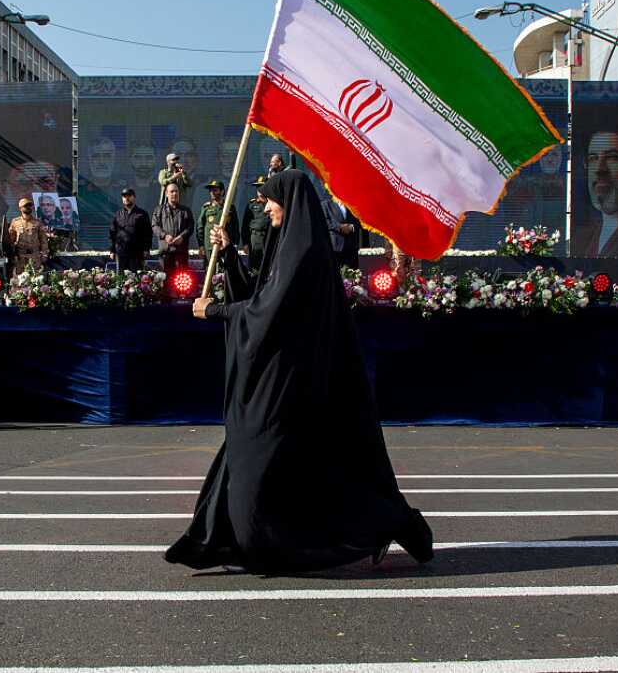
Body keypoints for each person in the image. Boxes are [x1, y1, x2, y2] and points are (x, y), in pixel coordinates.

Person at [167, 170, 433, 573]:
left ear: (289, 202)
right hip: (286, 379)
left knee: (263, 459)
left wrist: (217, 310)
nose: (266, 205)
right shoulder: (289, 243)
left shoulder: (305, 247)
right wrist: (233, 259)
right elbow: (264, 294)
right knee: (295, 467)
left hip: (291, 382)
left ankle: (261, 541)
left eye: (272, 198)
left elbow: (270, 311)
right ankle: (238, 542)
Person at [152, 182, 194, 279]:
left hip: (181, 253)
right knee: (165, 282)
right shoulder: (159, 210)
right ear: (166, 193)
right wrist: (165, 235)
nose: (174, 194)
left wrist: (182, 237)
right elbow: (154, 226)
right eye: (172, 192)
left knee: (181, 283)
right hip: (165, 253)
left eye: (176, 191)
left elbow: (190, 227)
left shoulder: (186, 211)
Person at [110, 188, 152, 272]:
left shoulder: (142, 214)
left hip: (137, 253)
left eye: (129, 195)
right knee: (121, 280)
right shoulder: (118, 214)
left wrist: (146, 249)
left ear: (134, 197)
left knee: (136, 280)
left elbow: (148, 233)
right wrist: (112, 250)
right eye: (124, 196)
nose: (126, 198)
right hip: (121, 253)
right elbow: (112, 233)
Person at [197, 181, 239, 257]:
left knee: (226, 268)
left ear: (222, 191)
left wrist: (235, 244)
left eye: (215, 190)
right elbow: (200, 228)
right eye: (210, 190)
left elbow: (235, 227)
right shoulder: (206, 208)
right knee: (210, 268)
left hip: (225, 246)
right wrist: (201, 246)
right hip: (210, 247)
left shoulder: (230, 207)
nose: (212, 192)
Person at [7, 197, 48, 275]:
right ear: (20, 208)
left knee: (36, 281)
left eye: (30, 205)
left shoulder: (37, 223)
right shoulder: (15, 222)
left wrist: (44, 254)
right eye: (26, 205)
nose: (28, 207)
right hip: (20, 257)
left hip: (35, 257)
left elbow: (43, 240)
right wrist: (12, 256)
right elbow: (11, 240)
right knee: (21, 281)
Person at [321, 197, 362, 270]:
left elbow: (360, 221)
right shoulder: (326, 204)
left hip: (351, 247)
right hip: (335, 247)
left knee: (352, 274)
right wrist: (339, 227)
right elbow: (324, 222)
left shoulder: (352, 205)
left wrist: (351, 227)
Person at [241, 177, 271, 272]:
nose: (260, 190)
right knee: (254, 267)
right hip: (255, 239)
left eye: (262, 187)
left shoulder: (274, 204)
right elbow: (245, 225)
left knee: (269, 264)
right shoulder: (251, 205)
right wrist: (245, 243)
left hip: (270, 237)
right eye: (258, 188)